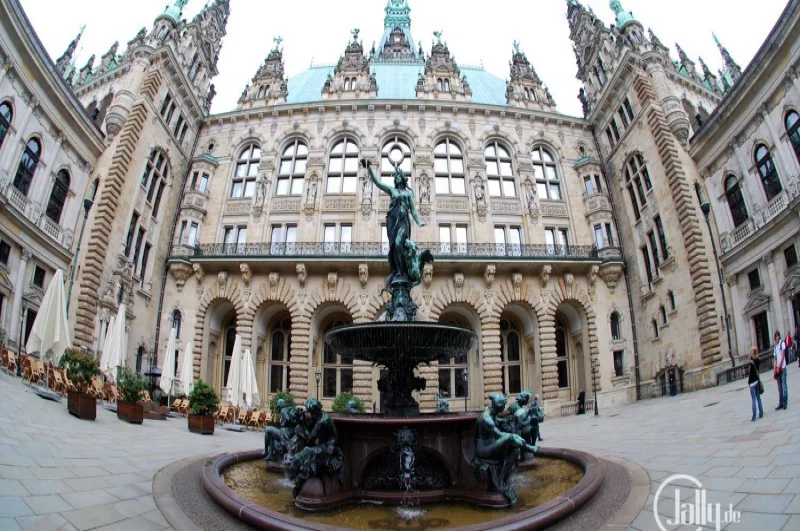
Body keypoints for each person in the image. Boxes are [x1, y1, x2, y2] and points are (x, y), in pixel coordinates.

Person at [748, 346, 764, 421]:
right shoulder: (757, 360)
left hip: (752, 383)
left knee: (754, 399)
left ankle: (754, 416)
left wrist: (748, 382)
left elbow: (751, 374)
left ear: (752, 353)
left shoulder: (751, 362)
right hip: (757, 381)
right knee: (758, 398)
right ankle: (761, 413)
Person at [774, 331, 788, 410]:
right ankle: (781, 403)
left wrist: (779, 366)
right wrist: (775, 368)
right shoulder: (775, 347)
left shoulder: (782, 343)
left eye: (777, 336)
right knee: (779, 387)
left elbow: (783, 355)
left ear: (779, 336)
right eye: (775, 336)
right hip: (778, 369)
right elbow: (775, 359)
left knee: (784, 386)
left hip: (782, 367)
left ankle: (785, 402)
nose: (776, 337)